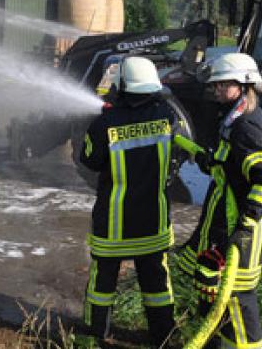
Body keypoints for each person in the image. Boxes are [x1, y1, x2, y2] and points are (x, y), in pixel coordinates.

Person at [178, 52, 262, 349]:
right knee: (212, 286)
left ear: (244, 85)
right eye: (215, 84)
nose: (216, 89)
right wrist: (208, 159)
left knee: (237, 295)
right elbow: (233, 163)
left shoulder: (246, 126)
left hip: (238, 224)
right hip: (225, 218)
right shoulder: (235, 117)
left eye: (223, 84)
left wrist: (247, 222)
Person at [77, 56, 178, 347]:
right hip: (153, 222)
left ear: (122, 84)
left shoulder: (105, 123)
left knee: (102, 284)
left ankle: (94, 335)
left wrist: (106, 116)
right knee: (157, 283)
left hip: (114, 225)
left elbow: (89, 160)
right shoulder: (167, 116)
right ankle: (164, 336)